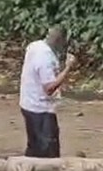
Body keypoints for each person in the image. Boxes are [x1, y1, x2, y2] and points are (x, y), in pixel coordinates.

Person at [19, 26, 76, 158]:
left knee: (34, 145)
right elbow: (49, 88)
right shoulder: (45, 59)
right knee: (48, 150)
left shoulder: (35, 46)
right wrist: (68, 68)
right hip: (40, 108)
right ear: (59, 40)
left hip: (28, 102)